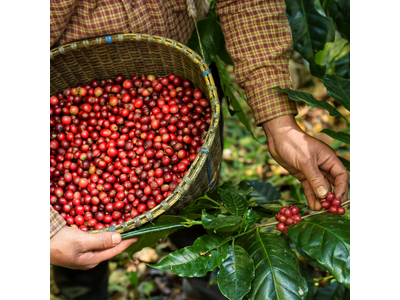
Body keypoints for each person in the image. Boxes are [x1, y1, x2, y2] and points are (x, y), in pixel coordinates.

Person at [50, 0, 349, 298]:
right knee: (77, 264)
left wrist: (280, 124)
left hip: (183, 65)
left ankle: (206, 285)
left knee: (200, 221)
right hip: (63, 74)